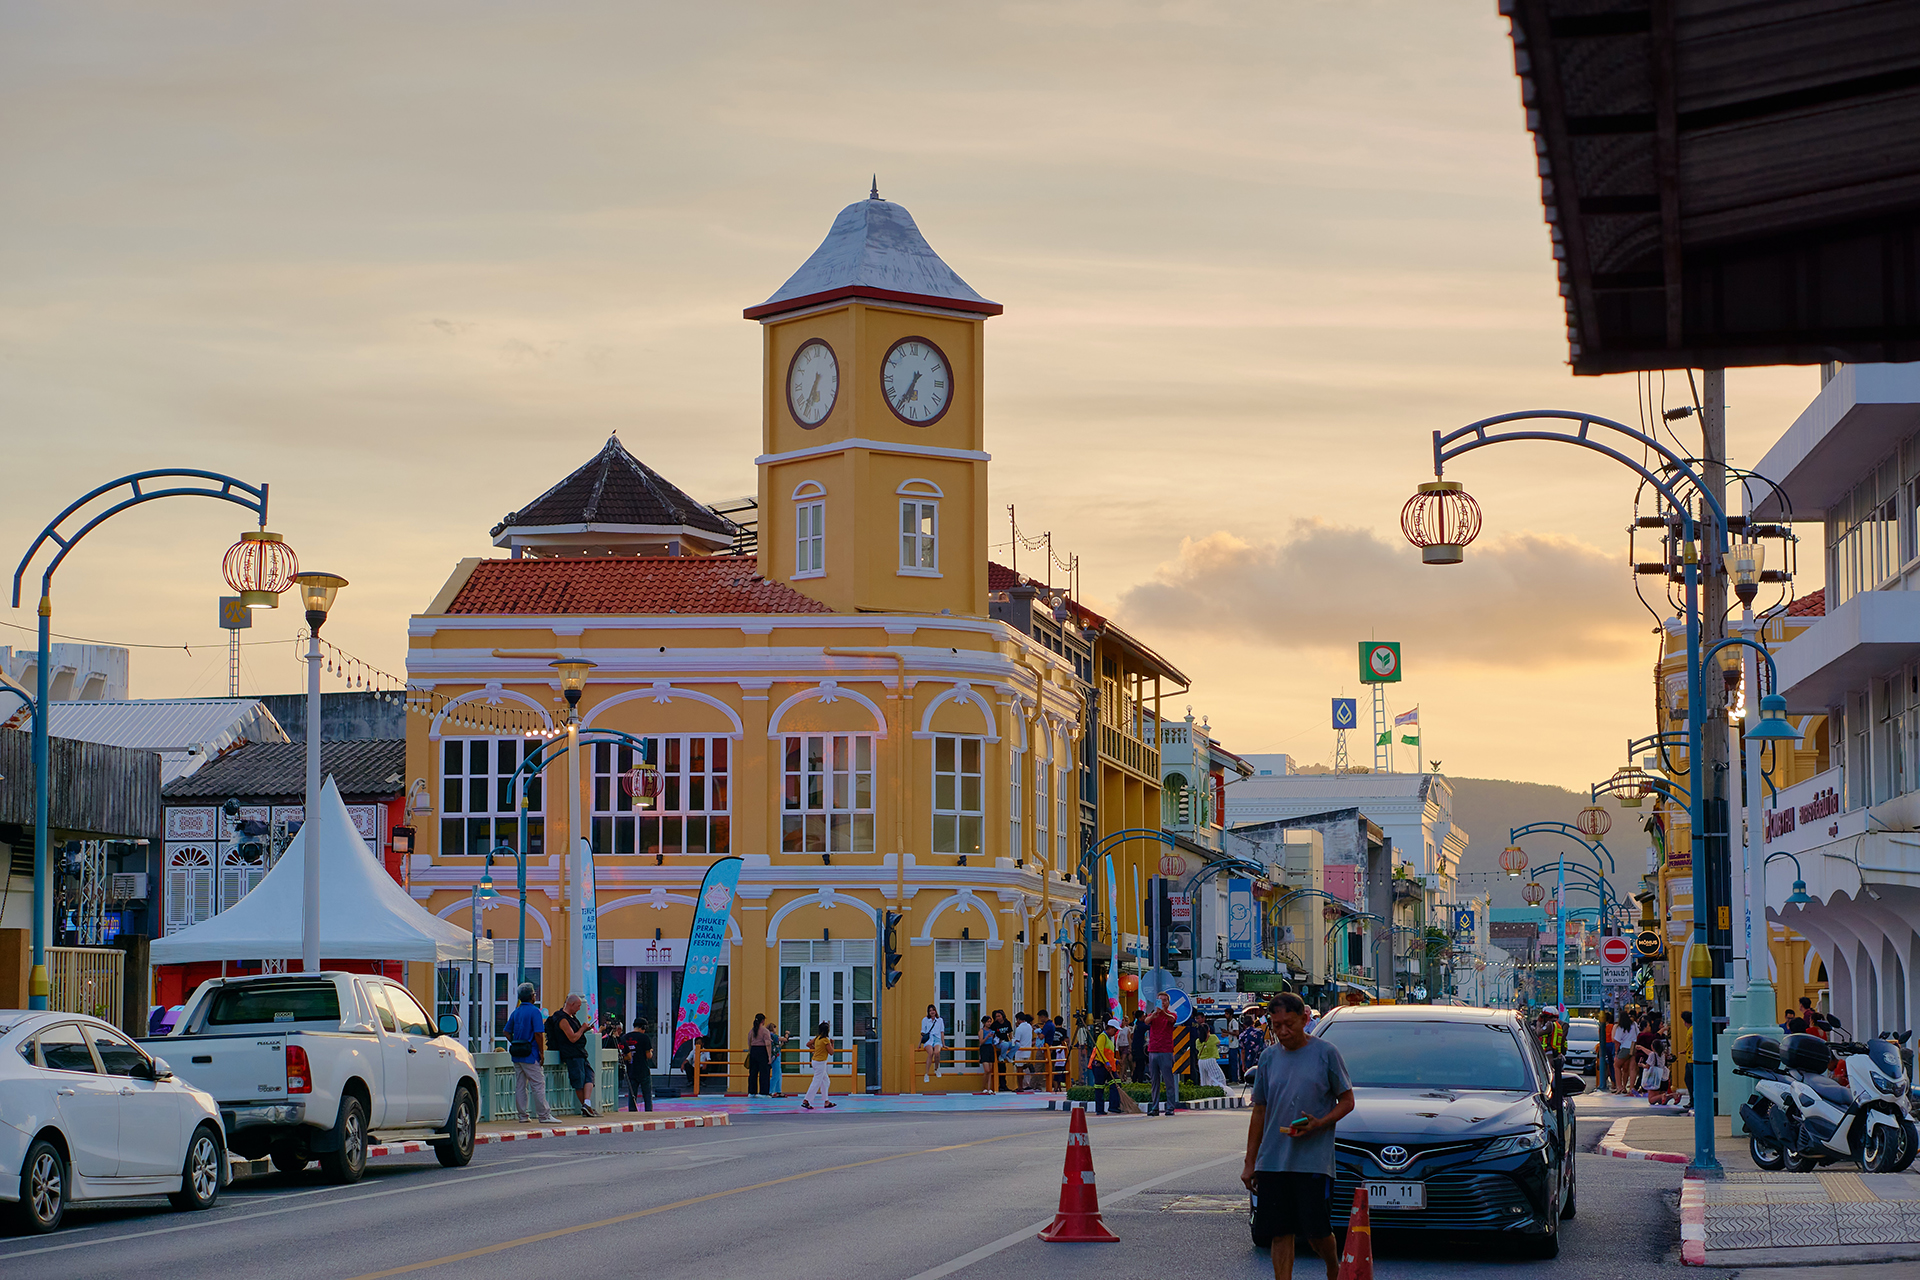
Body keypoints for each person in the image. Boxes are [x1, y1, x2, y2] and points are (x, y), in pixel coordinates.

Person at [1241, 994, 1355, 1280]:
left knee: (1316, 1232)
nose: (1282, 1031)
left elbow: (1347, 1101)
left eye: (1289, 1024)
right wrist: (1250, 1161)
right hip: (1273, 1161)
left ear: (1305, 1019)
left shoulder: (1326, 1053)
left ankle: (1332, 1265)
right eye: (1276, 1025)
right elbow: (1259, 1111)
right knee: (1280, 1232)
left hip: (1313, 1162)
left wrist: (1320, 1123)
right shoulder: (1268, 1058)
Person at [506, 983, 556, 1123]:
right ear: (532, 996)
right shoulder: (534, 1011)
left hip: (517, 1054)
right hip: (531, 1053)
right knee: (538, 1084)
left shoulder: (516, 1012)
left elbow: (506, 1031)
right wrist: (541, 1053)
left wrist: (516, 1042)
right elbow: (539, 1034)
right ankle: (544, 1115)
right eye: (534, 994)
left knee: (521, 1085)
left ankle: (523, 1115)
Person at [546, 993, 597, 1117]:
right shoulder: (562, 1019)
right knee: (578, 1081)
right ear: (572, 1004)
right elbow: (572, 1038)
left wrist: (585, 1029)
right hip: (571, 1054)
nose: (579, 1009)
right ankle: (585, 1106)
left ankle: (587, 1103)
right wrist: (582, 1029)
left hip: (580, 1052)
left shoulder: (572, 1017)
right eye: (578, 1006)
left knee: (589, 1076)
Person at [1144, 992, 1177, 1116]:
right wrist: (1154, 1014)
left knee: (1168, 1081)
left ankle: (1170, 1107)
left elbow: (1172, 1019)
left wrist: (1162, 1012)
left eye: (1164, 1000)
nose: (1162, 1002)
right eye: (1160, 1000)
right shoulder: (1153, 1015)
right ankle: (1155, 1107)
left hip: (1166, 1051)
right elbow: (1146, 1021)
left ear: (1168, 1003)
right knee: (1154, 1081)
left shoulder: (1171, 1014)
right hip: (1153, 1050)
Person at [620, 1017, 655, 1112]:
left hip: (631, 1068)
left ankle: (632, 1112)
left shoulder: (625, 1037)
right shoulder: (644, 1038)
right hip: (643, 1068)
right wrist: (651, 1052)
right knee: (647, 1094)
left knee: (632, 1094)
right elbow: (648, 1055)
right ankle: (648, 1112)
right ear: (643, 1027)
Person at [1088, 1018, 1121, 1115]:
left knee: (1116, 1083)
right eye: (1114, 1031)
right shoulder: (1102, 1037)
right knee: (1099, 1087)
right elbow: (1100, 1051)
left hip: (1108, 1066)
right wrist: (1106, 1063)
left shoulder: (1110, 1039)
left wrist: (1115, 1061)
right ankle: (1100, 1110)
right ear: (1110, 1028)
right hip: (1100, 1066)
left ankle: (1114, 1106)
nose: (1114, 1033)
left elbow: (1108, 1054)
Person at [801, 1021, 837, 1110]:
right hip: (821, 1063)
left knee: (826, 1081)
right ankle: (806, 1100)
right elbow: (831, 1052)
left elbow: (808, 1044)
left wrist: (815, 1049)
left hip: (815, 1061)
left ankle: (826, 1101)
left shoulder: (817, 1038)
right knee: (816, 1082)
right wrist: (832, 1043)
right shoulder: (825, 1040)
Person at [747, 1013, 776, 1097]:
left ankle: (752, 1092)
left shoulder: (752, 1031)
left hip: (753, 1051)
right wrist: (769, 1056)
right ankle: (763, 1092)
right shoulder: (765, 1031)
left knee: (753, 1072)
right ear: (763, 1021)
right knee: (764, 1072)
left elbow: (749, 1042)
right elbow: (768, 1044)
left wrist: (750, 1052)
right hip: (762, 1051)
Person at [1196, 1019, 1229, 1089]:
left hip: (1201, 1061)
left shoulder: (1197, 1041)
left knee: (1204, 1081)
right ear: (1208, 1030)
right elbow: (1218, 1042)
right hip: (1210, 1060)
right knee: (1219, 1078)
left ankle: (1205, 1093)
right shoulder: (1213, 1037)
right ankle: (1219, 1091)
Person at [920, 1004, 945, 1084]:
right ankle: (926, 1074)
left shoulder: (940, 1020)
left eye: (933, 1010)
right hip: (929, 1040)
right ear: (928, 1012)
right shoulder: (925, 1020)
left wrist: (943, 1044)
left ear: (935, 1011)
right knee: (930, 1053)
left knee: (937, 1052)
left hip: (937, 1039)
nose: (932, 1012)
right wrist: (920, 1043)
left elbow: (942, 1033)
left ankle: (936, 1069)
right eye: (930, 1010)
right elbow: (923, 1033)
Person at [1011, 1012, 1037, 1090]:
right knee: (1025, 1069)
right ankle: (1025, 1085)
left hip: (1020, 1051)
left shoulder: (1019, 1029)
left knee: (1019, 1070)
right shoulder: (1029, 1027)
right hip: (1028, 1051)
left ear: (1018, 1019)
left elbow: (1017, 1041)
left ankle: (1020, 1087)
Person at [979, 1015, 1002, 1094]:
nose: (989, 1023)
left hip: (990, 1048)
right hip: (984, 1048)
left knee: (990, 1070)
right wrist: (987, 1037)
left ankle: (989, 1088)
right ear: (984, 1023)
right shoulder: (982, 1031)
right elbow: (981, 1042)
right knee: (987, 1070)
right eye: (988, 1022)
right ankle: (983, 1087)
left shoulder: (992, 1031)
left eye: (990, 1022)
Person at [1130, 1008, 1150, 1085]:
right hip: (1139, 1049)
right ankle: (1138, 1081)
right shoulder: (1141, 1025)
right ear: (1139, 1018)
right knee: (1140, 1066)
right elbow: (1150, 1027)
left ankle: (1135, 1080)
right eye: (1143, 1016)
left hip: (1136, 1048)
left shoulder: (1137, 1025)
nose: (1144, 1018)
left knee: (1139, 1066)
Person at [769, 1023, 788, 1098]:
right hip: (775, 1055)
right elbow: (785, 1039)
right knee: (776, 1074)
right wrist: (786, 1034)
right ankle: (771, 1091)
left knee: (779, 1073)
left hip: (776, 1054)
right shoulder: (773, 1035)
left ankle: (778, 1090)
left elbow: (777, 1045)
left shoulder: (769, 1035)